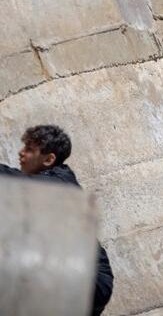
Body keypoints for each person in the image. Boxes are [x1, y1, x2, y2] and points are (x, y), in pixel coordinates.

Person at [0, 125, 114, 315]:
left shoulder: (60, 183)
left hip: (91, 280)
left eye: (29, 149)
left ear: (49, 159)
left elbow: (12, 179)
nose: (21, 152)